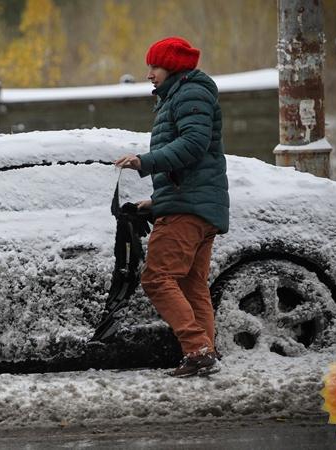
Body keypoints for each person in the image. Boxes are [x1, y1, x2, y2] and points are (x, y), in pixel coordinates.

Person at [114, 36, 229, 378]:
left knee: (158, 278)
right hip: (194, 205)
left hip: (188, 210)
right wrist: (157, 200)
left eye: (155, 66)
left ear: (173, 67)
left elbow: (193, 145)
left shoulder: (190, 92)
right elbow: (194, 163)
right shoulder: (181, 95)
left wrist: (143, 162)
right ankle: (204, 353)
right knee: (192, 285)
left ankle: (196, 348)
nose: (149, 74)